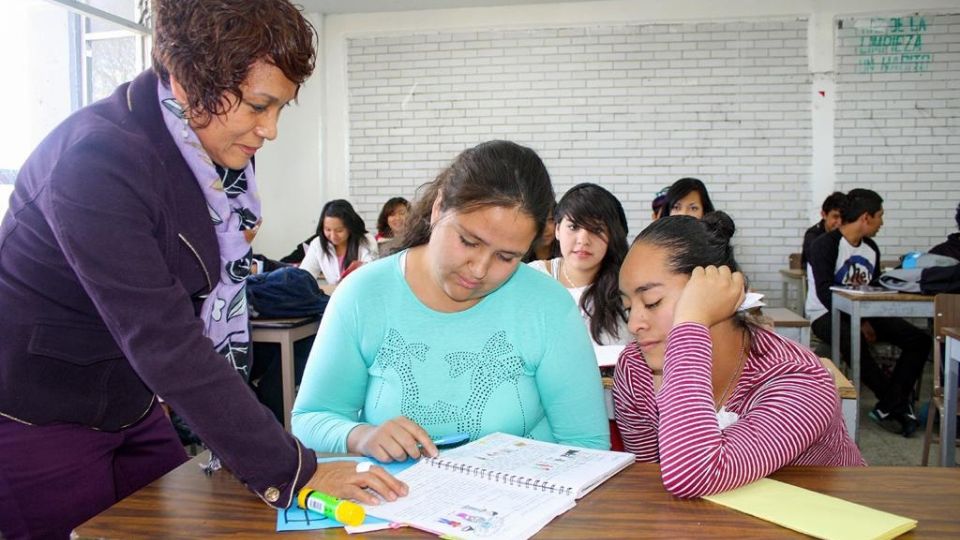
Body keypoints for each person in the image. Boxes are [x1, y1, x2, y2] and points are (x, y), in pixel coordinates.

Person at [0, 2, 405, 538]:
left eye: (280, 108)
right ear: (194, 80)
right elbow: (165, 338)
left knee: (191, 520)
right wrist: (295, 472)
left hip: (130, 399)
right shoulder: (95, 159)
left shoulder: (204, 146)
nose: (271, 130)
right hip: (39, 410)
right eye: (260, 106)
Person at [291, 140, 610, 461]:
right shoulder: (363, 294)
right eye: (468, 241)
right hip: (395, 504)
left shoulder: (547, 305)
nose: (480, 269)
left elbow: (587, 445)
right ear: (439, 207)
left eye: (507, 257)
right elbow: (310, 419)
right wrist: (360, 436)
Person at [614, 212, 864, 499]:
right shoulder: (636, 368)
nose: (634, 324)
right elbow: (651, 478)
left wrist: (691, 323)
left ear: (718, 295)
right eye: (627, 307)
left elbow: (694, 475)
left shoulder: (798, 378)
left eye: (652, 301)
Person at [806, 189, 930, 436]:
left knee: (920, 339)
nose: (881, 223)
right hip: (824, 314)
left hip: (864, 313)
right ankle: (895, 404)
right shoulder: (825, 246)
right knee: (853, 338)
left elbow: (871, 287)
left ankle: (890, 404)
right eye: (880, 216)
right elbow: (823, 293)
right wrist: (859, 322)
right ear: (865, 217)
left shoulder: (871, 248)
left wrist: (865, 319)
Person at [528, 183, 629, 346]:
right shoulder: (532, 277)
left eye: (596, 230)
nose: (583, 240)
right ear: (557, 230)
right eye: (573, 227)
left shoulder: (625, 287)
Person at [300, 199, 377, 284]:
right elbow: (304, 275)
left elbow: (373, 273)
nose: (333, 236)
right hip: (334, 295)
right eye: (328, 229)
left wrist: (362, 266)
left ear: (350, 227)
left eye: (339, 230)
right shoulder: (317, 244)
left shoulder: (366, 240)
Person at [800, 191, 846, 271]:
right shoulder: (813, 235)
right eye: (835, 217)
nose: (840, 222)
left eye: (843, 217)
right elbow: (817, 262)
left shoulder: (846, 232)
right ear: (824, 215)